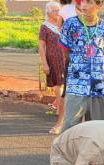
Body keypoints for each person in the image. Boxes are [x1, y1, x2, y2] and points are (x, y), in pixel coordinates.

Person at [58, 0, 104, 132]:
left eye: (89, 2)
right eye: (83, 1)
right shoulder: (70, 24)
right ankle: (66, 152)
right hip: (76, 84)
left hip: (99, 86)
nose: (84, 5)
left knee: (102, 129)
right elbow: (66, 53)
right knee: (70, 126)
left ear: (99, 5)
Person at [39, 1, 65, 135]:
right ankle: (61, 110)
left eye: (58, 10)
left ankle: (60, 108)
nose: (58, 13)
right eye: (55, 10)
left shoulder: (64, 25)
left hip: (65, 60)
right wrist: (44, 63)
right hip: (52, 60)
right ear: (48, 13)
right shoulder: (44, 27)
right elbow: (41, 47)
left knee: (64, 86)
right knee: (56, 86)